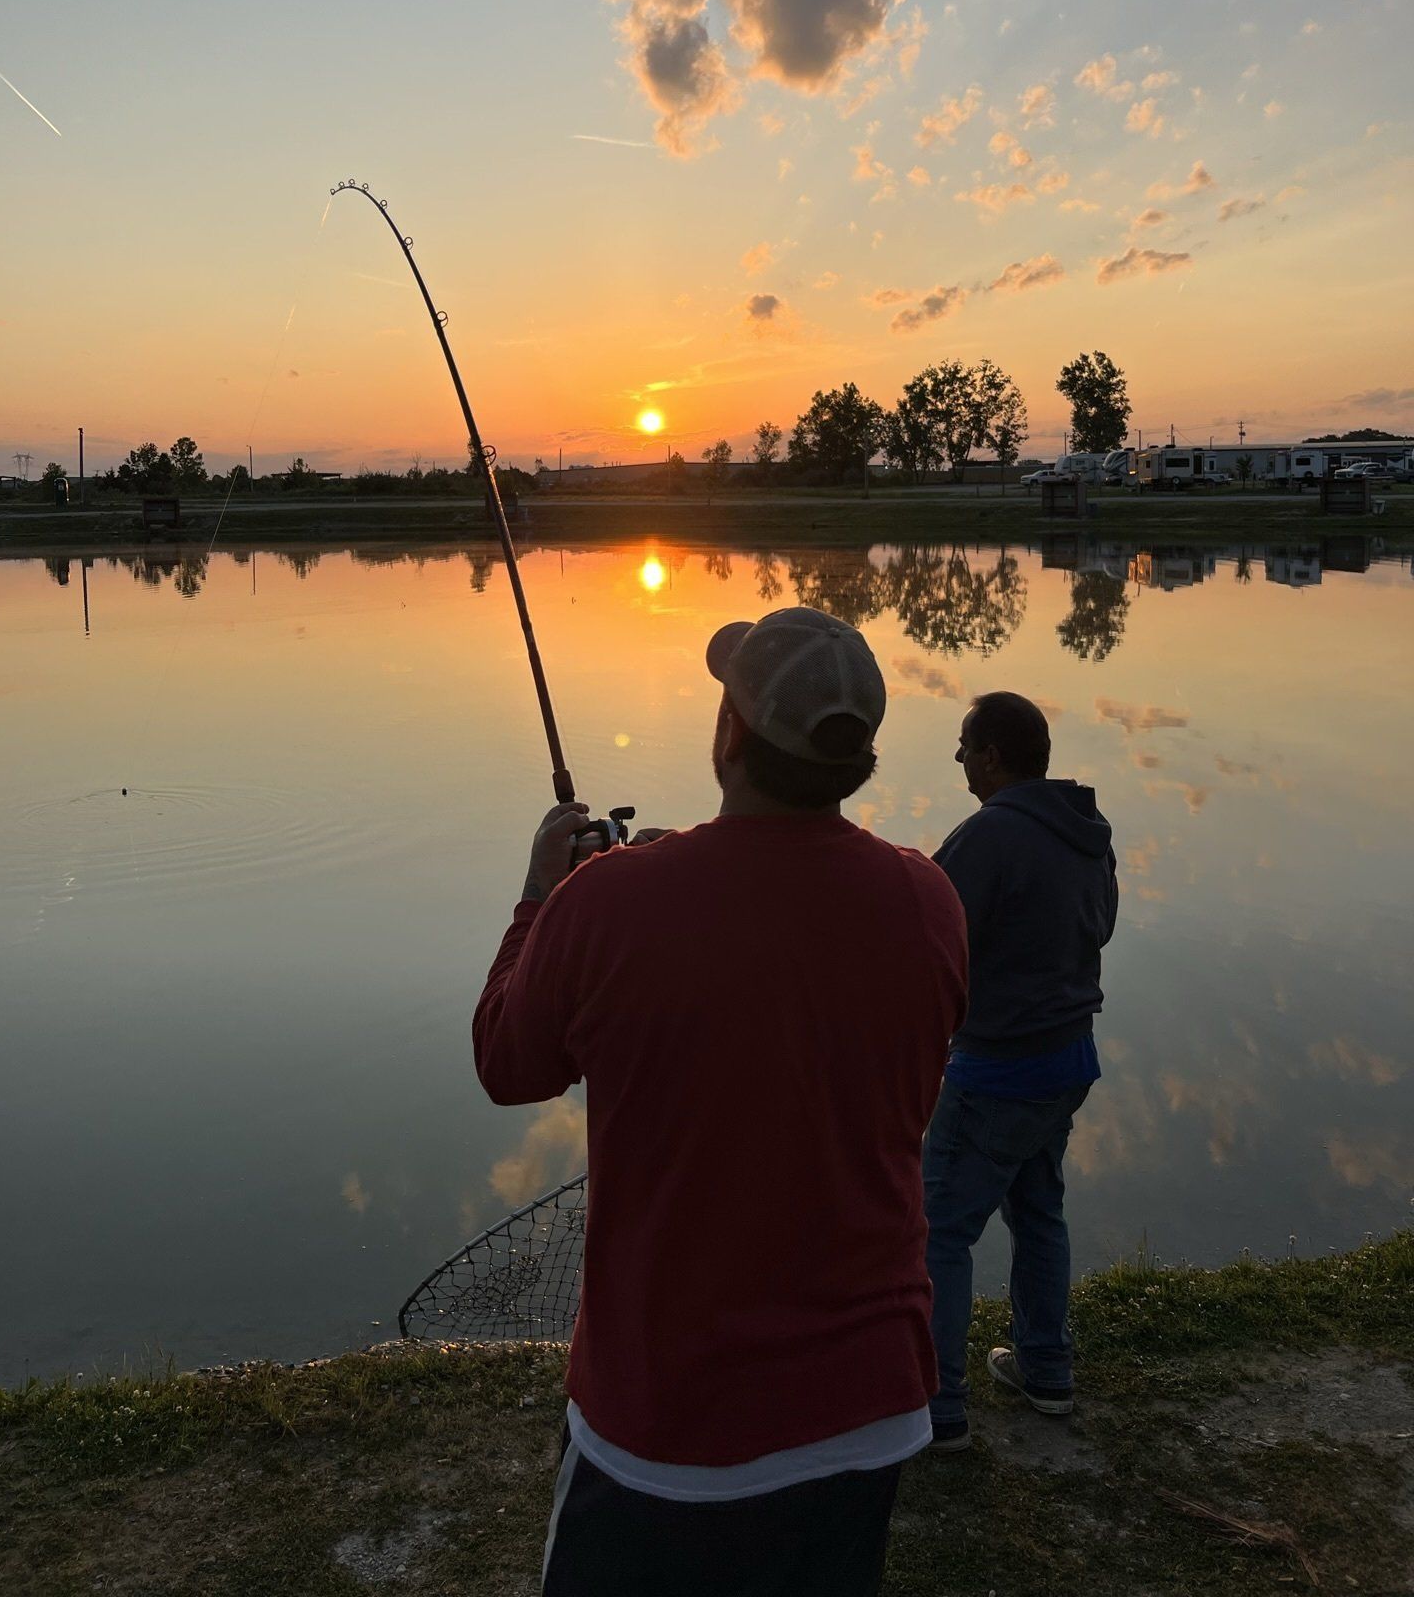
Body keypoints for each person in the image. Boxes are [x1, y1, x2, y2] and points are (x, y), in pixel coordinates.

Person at [473, 607, 967, 1597]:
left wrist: (544, 892)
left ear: (729, 732)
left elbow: (506, 1062)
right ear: (856, 756)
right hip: (869, 1405)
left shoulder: (607, 903)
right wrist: (664, 876)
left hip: (669, 1421)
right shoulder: (928, 900)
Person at [923, 690, 1118, 1450]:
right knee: (1039, 1211)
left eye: (966, 746)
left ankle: (937, 1408)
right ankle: (1046, 1372)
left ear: (993, 756)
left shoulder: (990, 836)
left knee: (938, 1228)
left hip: (998, 1070)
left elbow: (928, 932)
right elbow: (1097, 924)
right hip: (1067, 1059)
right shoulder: (1087, 833)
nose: (961, 758)